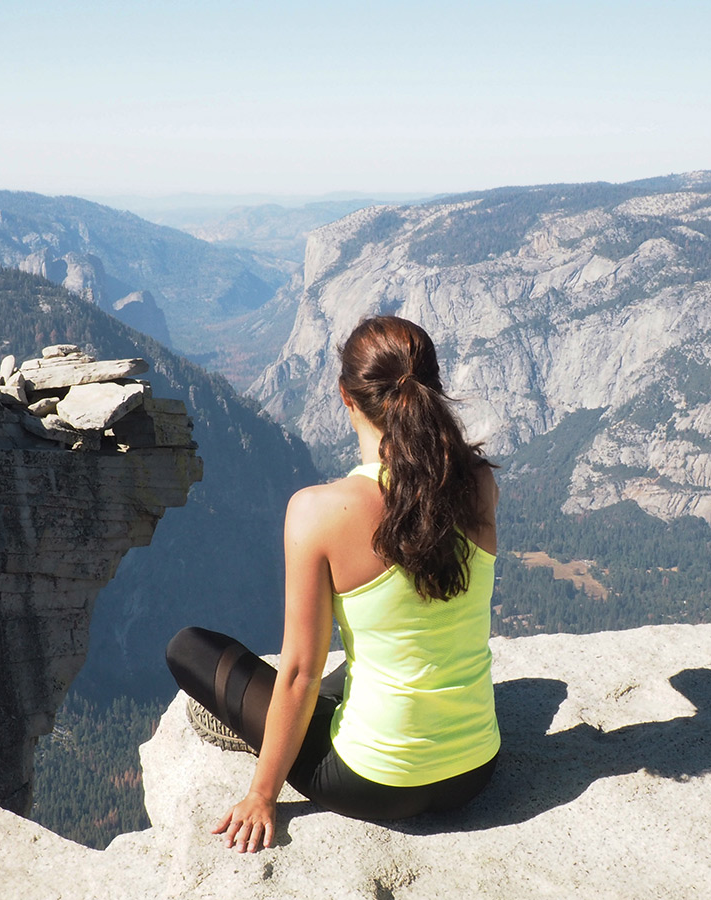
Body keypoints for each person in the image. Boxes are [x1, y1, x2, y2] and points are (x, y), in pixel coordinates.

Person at [166, 315, 500, 853]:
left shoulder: (318, 511)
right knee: (357, 668)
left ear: (346, 396)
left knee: (189, 649)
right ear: (432, 390)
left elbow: (299, 670)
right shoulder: (479, 484)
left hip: (374, 784)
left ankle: (267, 733)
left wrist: (262, 794)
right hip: (475, 771)